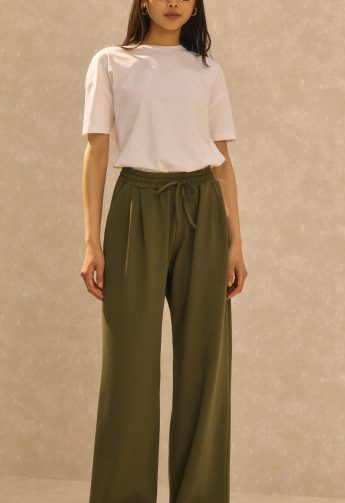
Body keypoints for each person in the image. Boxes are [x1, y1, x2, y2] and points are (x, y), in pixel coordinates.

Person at [80, 0, 248, 501]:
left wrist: (236, 241)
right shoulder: (111, 62)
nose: (173, 2)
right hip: (136, 205)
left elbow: (222, 161)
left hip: (203, 209)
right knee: (128, 365)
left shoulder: (207, 70)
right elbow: (96, 150)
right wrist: (90, 240)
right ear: (143, 2)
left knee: (205, 365)